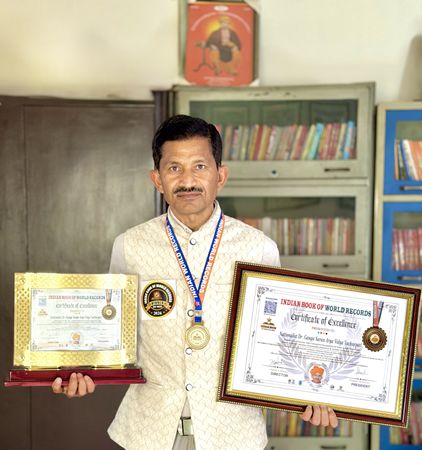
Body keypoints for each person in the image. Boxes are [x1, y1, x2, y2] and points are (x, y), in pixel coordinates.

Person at [52, 114, 338, 450]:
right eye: (174, 168)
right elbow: (110, 333)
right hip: (147, 434)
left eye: (200, 166)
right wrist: (80, 371)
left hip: (233, 436)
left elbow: (281, 340)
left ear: (221, 175)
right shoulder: (129, 246)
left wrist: (313, 393)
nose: (187, 180)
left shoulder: (258, 248)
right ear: (157, 179)